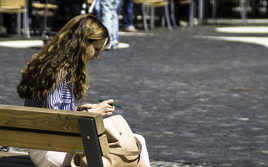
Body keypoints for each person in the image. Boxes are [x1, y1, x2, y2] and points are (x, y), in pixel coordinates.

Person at [17, 14, 151, 167]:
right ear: (82, 43)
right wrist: (90, 115)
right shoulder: (61, 71)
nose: (98, 56)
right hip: (51, 150)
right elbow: (53, 121)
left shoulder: (51, 64)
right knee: (134, 144)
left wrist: (82, 109)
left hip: (43, 145)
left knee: (130, 144)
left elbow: (53, 111)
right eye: (96, 49)